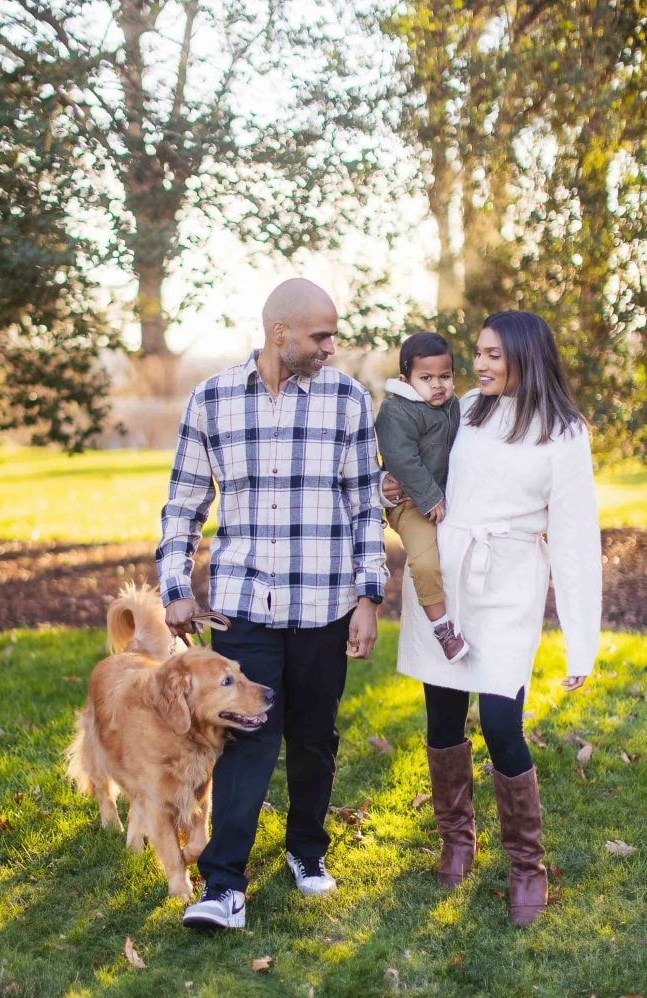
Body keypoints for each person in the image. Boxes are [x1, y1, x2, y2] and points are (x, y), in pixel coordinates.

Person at [157, 278, 388, 930]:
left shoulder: (345, 399)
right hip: (243, 605)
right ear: (279, 333)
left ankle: (305, 852)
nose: (330, 347)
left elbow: (363, 506)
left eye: (331, 336)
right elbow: (183, 503)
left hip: (324, 604)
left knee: (313, 739)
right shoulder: (213, 399)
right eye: (320, 335)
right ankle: (223, 885)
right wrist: (175, 588)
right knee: (242, 740)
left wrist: (368, 595)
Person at [390, 310, 601, 926]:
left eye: (492, 356)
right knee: (443, 714)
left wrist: (581, 644)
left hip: (507, 581)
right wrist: (391, 486)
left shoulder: (564, 433)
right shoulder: (466, 411)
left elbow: (575, 539)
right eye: (477, 354)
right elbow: (420, 460)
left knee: (502, 721)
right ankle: (457, 840)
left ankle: (526, 866)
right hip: (449, 574)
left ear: (524, 358)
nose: (478, 365)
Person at [375, 332, 467, 662]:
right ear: (406, 379)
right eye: (426, 378)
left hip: (440, 498)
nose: (438, 385)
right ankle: (442, 628)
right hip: (410, 504)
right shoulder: (396, 411)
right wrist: (429, 498)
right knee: (425, 561)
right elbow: (401, 459)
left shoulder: (453, 406)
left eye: (445, 376)